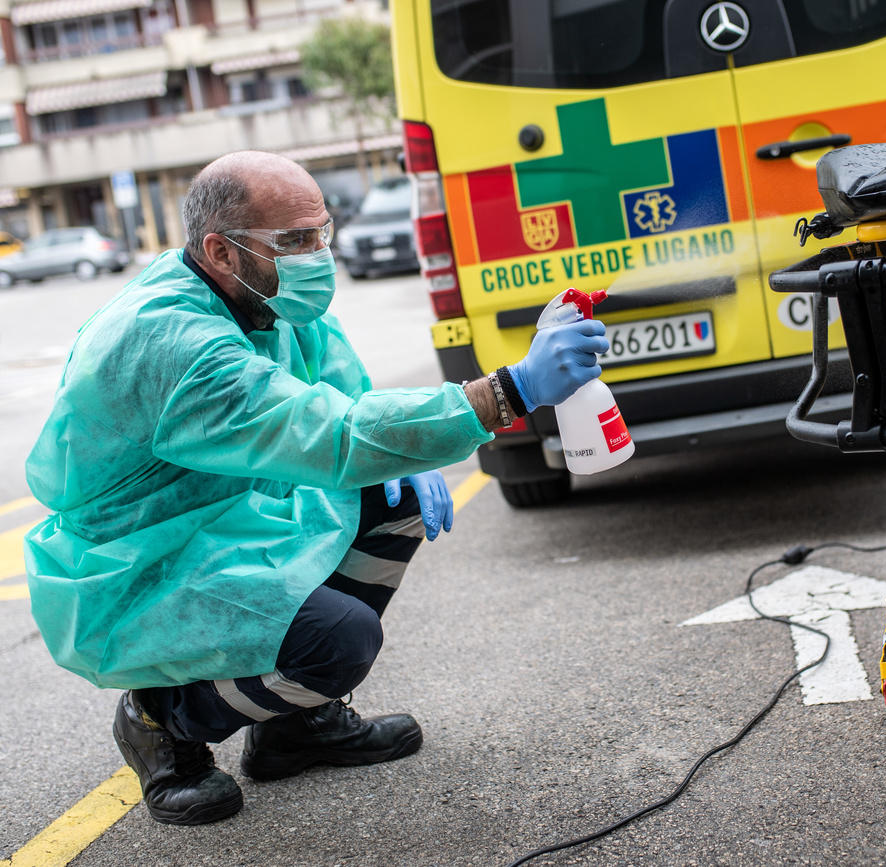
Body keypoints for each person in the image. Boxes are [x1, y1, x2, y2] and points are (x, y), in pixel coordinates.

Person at [23, 150, 609, 826]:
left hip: (224, 518)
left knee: (399, 497)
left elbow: (343, 390)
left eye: (322, 231)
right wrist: (508, 392)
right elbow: (332, 435)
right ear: (220, 250)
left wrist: (405, 453)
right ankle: (160, 718)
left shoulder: (259, 290)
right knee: (339, 640)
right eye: (296, 240)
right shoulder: (175, 344)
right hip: (140, 563)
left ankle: (291, 726)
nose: (318, 253)